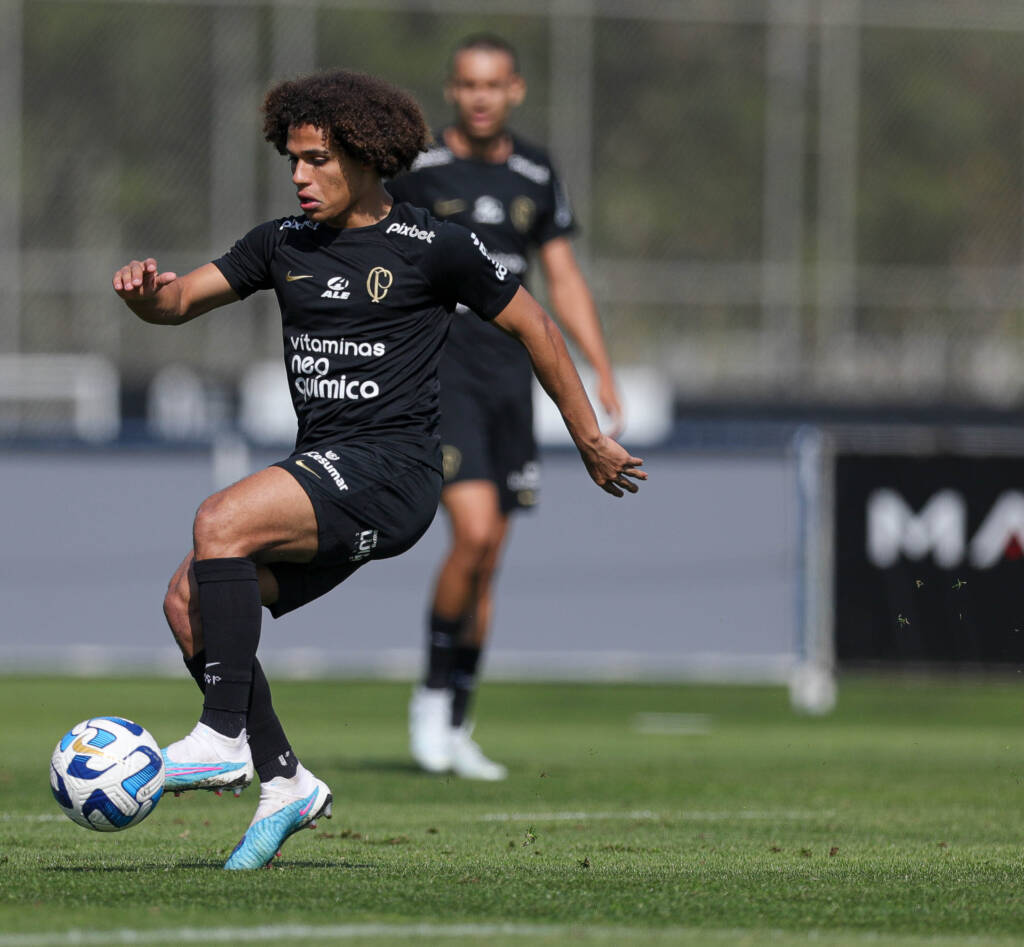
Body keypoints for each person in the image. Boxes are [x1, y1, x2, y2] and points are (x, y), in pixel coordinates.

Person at [112, 68, 645, 870]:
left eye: (317, 159)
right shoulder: (281, 243)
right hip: (327, 472)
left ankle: (221, 737)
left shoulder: (435, 246)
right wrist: (144, 296)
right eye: (292, 159)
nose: (300, 175)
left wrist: (589, 438)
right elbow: (181, 300)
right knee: (189, 601)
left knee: (219, 519)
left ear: (364, 158)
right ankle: (285, 781)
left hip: (393, 474)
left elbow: (536, 326)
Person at [386, 34, 625, 780]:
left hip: (510, 383)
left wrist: (599, 366)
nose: (481, 96)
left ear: (514, 90)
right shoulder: (420, 168)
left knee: (490, 559)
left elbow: (562, 276)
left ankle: (459, 722)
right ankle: (430, 699)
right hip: (442, 373)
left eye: (493, 84)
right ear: (451, 91)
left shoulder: (537, 171)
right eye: (468, 84)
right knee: (474, 531)